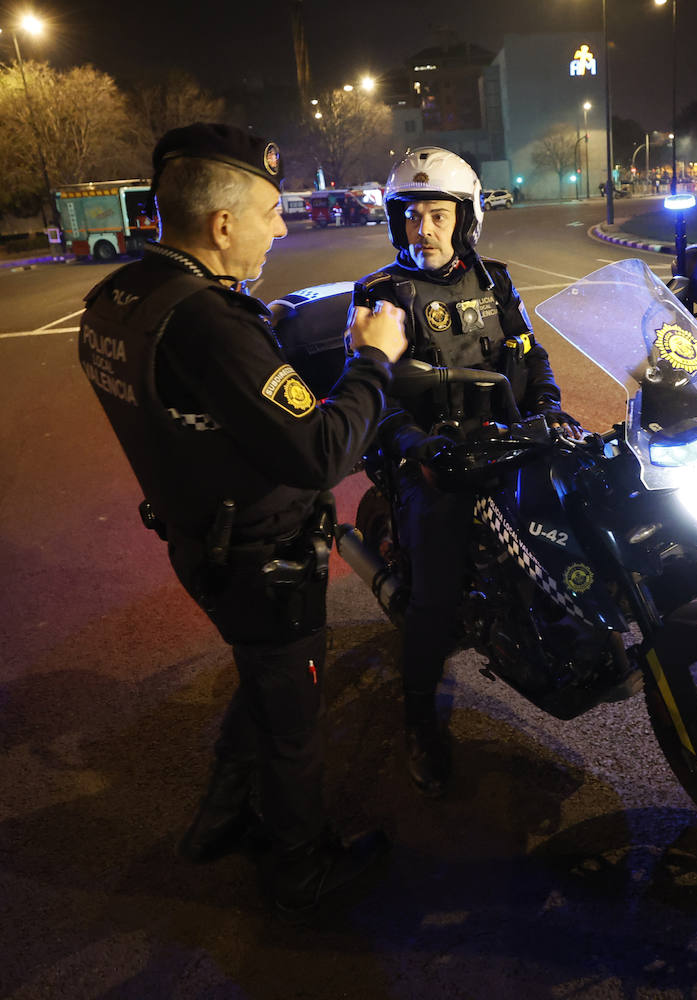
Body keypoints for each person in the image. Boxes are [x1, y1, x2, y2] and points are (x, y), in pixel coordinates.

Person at [75, 122, 408, 913]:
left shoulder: (118, 297)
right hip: (263, 558)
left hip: (199, 538)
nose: (282, 227)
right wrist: (374, 358)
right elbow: (322, 449)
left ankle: (220, 818)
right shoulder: (211, 323)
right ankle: (301, 868)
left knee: (263, 677)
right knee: (294, 717)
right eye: (271, 212)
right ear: (222, 224)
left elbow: (191, 409)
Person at [353, 146, 578, 797]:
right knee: (436, 604)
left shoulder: (498, 281)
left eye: (437, 215)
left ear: (466, 218)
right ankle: (420, 719)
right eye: (411, 216)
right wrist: (419, 447)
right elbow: (374, 393)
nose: (423, 228)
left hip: (511, 440)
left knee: (579, 518)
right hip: (437, 465)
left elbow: (532, 357)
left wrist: (549, 409)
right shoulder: (379, 295)